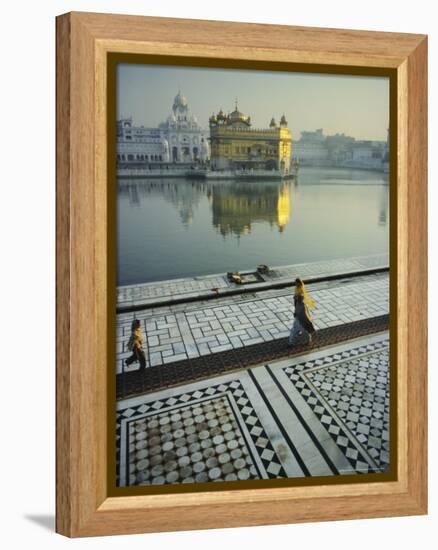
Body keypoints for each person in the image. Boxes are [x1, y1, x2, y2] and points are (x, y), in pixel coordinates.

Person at [289, 278, 316, 346]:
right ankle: (292, 342)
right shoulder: (298, 302)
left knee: (300, 330)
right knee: (296, 330)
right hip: (299, 318)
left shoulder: (302, 304)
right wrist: (296, 312)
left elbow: (304, 313)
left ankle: (294, 342)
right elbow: (296, 304)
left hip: (301, 319)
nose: (296, 285)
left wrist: (297, 314)